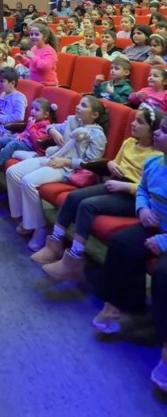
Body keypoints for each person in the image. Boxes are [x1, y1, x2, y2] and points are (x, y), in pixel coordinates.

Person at [33, 104, 161, 280]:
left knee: (88, 206)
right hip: (116, 183)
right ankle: (54, 244)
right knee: (73, 197)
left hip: (134, 195)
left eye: (139, 122)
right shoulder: (129, 142)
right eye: (134, 120)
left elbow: (148, 188)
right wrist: (112, 164)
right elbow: (115, 162)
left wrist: (124, 186)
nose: (133, 124)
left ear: (152, 129)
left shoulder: (155, 155)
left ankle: (73, 259)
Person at [91, 115, 167, 395]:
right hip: (154, 222)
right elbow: (143, 190)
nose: (157, 133)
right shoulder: (155, 162)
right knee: (122, 243)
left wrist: (164, 241)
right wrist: (142, 209)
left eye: (164, 131)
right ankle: (120, 305)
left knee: (164, 273)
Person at [6, 95, 108, 250]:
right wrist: (53, 131)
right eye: (79, 103)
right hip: (53, 158)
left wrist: (66, 162)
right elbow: (51, 126)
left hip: (69, 168)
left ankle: (39, 228)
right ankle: (26, 219)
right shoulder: (72, 121)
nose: (78, 107)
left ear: (94, 115)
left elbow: (90, 162)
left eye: (83, 105)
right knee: (13, 172)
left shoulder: (97, 134)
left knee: (28, 182)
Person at [0, 97, 55, 174]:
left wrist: (31, 124)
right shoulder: (34, 121)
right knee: (4, 139)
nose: (32, 111)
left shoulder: (46, 126)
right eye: (32, 108)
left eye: (37, 110)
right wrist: (20, 135)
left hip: (32, 146)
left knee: (13, 144)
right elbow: (26, 131)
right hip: (25, 142)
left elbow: (37, 139)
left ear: (46, 115)